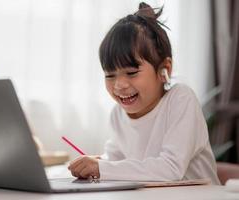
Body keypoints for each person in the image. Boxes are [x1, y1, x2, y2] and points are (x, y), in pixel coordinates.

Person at [68, 2, 220, 184]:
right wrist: (97, 163)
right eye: (110, 75)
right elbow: (117, 163)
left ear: (165, 69)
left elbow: (171, 169)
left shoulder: (180, 99)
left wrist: (102, 168)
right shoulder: (118, 114)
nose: (119, 85)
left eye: (131, 73)